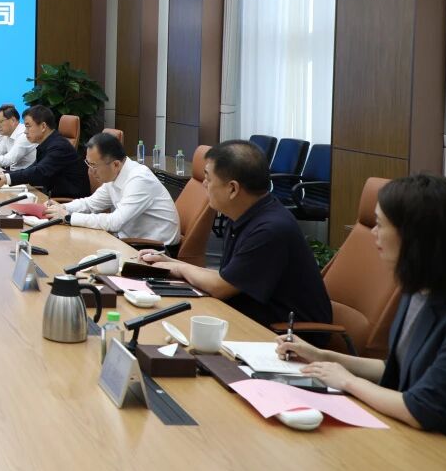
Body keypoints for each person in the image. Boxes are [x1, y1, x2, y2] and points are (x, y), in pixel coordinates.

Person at [277, 174, 446, 463]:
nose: (373, 233)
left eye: (380, 224)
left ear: (414, 236)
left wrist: (348, 381)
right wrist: (322, 356)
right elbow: (398, 368)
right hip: (414, 440)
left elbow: (422, 409)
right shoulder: (419, 288)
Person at [139, 140, 330, 335]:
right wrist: (169, 262)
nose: (204, 184)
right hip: (248, 317)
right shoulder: (244, 215)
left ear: (232, 189)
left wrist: (179, 268)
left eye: (208, 178)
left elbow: (220, 287)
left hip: (287, 336)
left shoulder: (270, 229)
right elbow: (228, 277)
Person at [45, 131, 179, 245]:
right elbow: (90, 204)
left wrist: (68, 217)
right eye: (88, 163)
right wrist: (61, 208)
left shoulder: (139, 179)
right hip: (130, 242)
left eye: (94, 165)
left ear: (115, 164)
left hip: (156, 250)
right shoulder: (114, 175)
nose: (90, 171)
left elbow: (115, 222)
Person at [0, 106, 89, 199]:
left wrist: (6, 179)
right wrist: (2, 174)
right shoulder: (48, 143)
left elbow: (39, 172)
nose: (25, 131)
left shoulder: (59, 147)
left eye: (28, 126)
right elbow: (32, 169)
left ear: (43, 126)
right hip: (48, 194)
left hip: (65, 201)